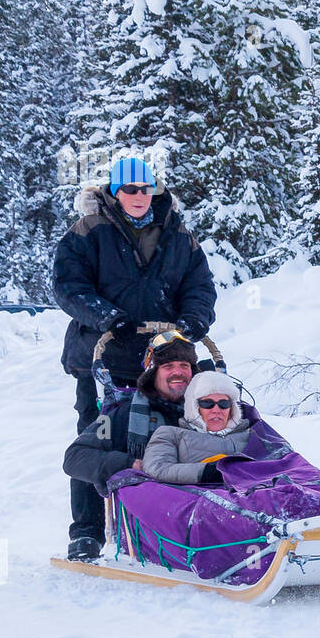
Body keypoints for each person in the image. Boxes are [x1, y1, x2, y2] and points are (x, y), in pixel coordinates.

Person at [53, 157, 217, 560]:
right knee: (96, 436)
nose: (139, 197)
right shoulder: (88, 231)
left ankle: (178, 522)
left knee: (178, 436)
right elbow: (68, 286)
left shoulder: (178, 233)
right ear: (114, 192)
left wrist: (193, 320)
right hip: (102, 354)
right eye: (130, 190)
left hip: (164, 357)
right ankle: (87, 530)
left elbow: (200, 285)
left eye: (145, 189)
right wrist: (108, 316)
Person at [61, 331, 198, 560]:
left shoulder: (213, 407)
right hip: (156, 513)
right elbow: (77, 457)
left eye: (184, 365)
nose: (178, 372)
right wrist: (130, 463)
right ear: (152, 373)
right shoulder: (119, 415)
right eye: (168, 366)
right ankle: (87, 533)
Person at [141, 371, 252, 485]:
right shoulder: (171, 434)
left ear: (232, 408)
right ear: (194, 407)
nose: (216, 410)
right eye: (207, 403)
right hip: (196, 498)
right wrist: (207, 472)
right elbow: (157, 468)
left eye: (224, 403)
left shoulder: (253, 435)